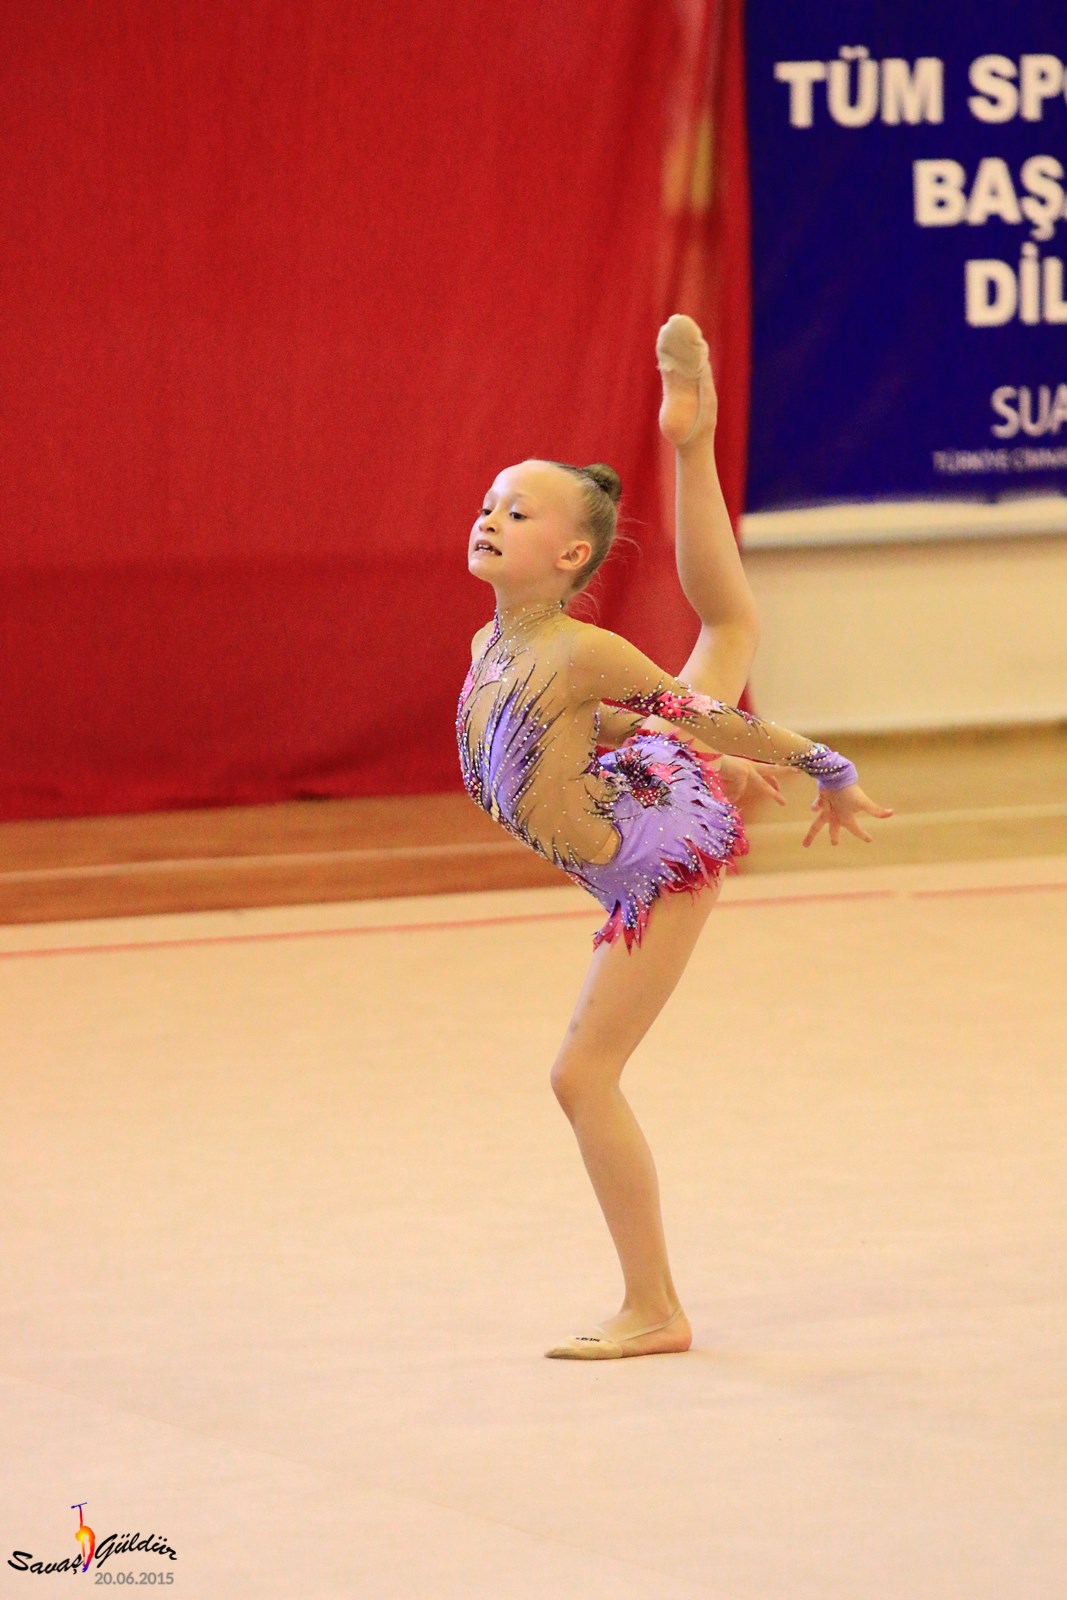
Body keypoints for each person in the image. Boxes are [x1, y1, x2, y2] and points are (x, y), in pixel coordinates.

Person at [456, 315, 892, 1359]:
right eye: (487, 503)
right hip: (633, 789)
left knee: (580, 1077)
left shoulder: (582, 646)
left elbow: (702, 716)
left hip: (658, 860)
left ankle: (653, 1306)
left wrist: (817, 763)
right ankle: (690, 440)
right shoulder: (491, 644)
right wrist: (677, 749)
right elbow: (586, 731)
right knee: (726, 630)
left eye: (516, 511)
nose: (489, 518)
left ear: (569, 555)